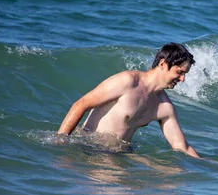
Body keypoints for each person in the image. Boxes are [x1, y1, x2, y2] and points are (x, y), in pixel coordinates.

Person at [57, 43, 200, 157]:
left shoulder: (165, 107)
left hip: (120, 154)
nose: (182, 79)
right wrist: (61, 141)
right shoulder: (128, 82)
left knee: (164, 181)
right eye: (179, 72)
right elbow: (81, 104)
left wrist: (208, 168)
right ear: (162, 64)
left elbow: (182, 147)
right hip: (89, 147)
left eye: (184, 74)